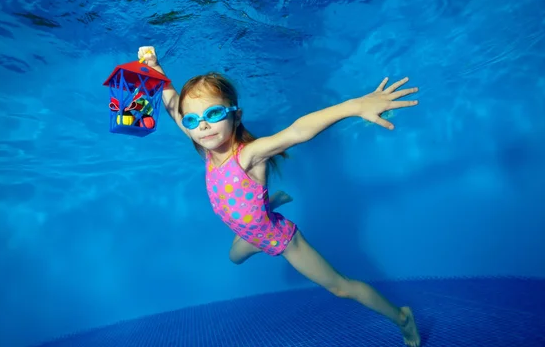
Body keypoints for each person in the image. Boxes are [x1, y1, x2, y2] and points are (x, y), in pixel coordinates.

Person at [138, 46, 421, 346]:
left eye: (214, 113)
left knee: (340, 287)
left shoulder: (248, 156)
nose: (203, 125)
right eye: (193, 120)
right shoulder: (205, 145)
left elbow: (298, 131)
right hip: (248, 231)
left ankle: (401, 317)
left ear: (236, 116)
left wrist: (354, 106)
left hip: (275, 236)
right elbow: (172, 106)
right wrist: (155, 67)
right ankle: (269, 205)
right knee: (234, 258)